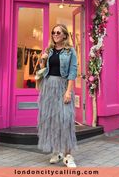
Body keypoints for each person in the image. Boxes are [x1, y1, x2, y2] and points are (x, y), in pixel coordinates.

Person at [37, 24, 78, 168]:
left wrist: (68, 91)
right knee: (52, 120)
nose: (55, 34)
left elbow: (73, 72)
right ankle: (57, 151)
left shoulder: (70, 51)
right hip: (48, 87)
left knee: (65, 120)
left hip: (63, 87)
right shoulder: (49, 50)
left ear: (65, 35)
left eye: (58, 32)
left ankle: (68, 155)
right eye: (53, 32)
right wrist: (43, 60)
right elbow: (43, 70)